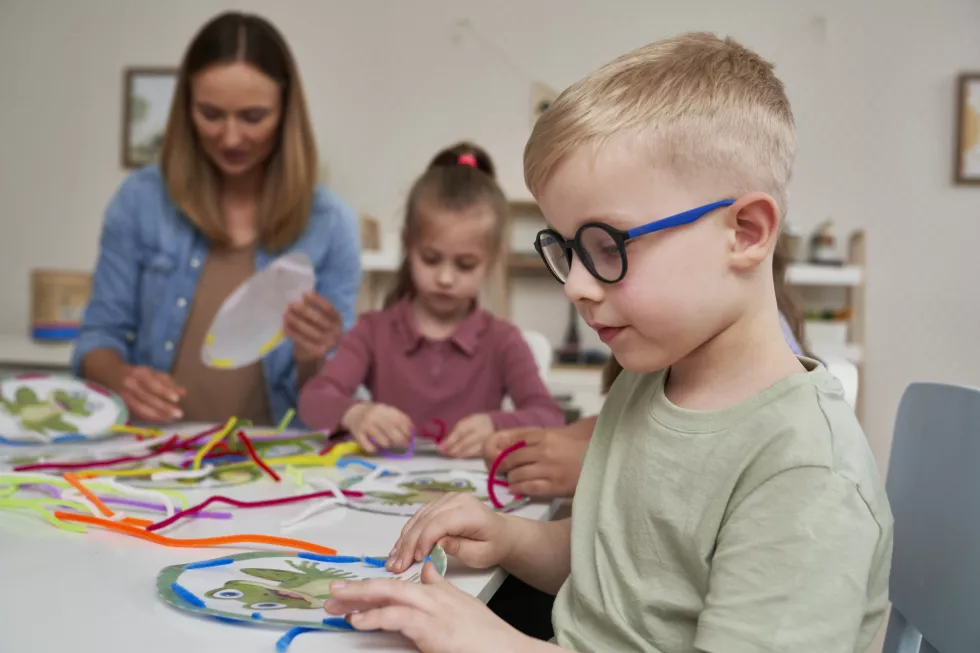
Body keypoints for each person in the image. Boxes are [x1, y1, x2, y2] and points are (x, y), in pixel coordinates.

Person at [323, 33, 894, 653]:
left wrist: (488, 641)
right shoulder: (648, 384)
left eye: (606, 246)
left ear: (746, 233)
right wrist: (510, 538)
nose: (574, 285)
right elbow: (623, 572)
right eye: (566, 251)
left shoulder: (804, 472)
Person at [72, 12, 360, 428]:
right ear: (185, 108)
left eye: (253, 117)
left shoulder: (330, 225)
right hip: (151, 458)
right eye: (210, 114)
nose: (230, 138)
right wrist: (123, 378)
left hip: (280, 465)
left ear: (285, 115)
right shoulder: (140, 201)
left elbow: (332, 396)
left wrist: (314, 355)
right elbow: (97, 339)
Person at [484, 235, 810, 500]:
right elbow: (642, 420)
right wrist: (556, 440)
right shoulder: (672, 345)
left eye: (612, 249)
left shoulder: (762, 366)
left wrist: (596, 467)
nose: (573, 287)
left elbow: (726, 455)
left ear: (744, 237)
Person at [298, 143, 565, 458]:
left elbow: (550, 417)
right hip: (382, 491)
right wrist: (356, 414)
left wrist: (496, 424)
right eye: (430, 258)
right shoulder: (372, 331)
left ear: (491, 261)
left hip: (472, 499)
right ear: (408, 245)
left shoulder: (504, 341)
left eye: (465, 265)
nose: (445, 278)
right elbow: (313, 400)